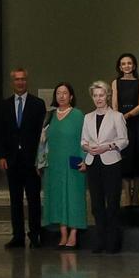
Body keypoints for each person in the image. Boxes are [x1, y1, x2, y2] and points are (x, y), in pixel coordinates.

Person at [0, 67, 47, 248]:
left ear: (27, 81)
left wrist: (40, 160)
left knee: (34, 200)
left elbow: (42, 134)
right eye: (17, 79)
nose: (20, 82)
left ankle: (35, 235)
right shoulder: (4, 105)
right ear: (12, 82)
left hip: (31, 161)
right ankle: (17, 236)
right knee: (15, 200)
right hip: (12, 160)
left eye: (23, 79)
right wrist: (1, 156)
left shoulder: (38, 104)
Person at [81, 81, 129, 254]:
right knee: (96, 204)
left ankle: (113, 241)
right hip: (93, 162)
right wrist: (87, 148)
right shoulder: (88, 117)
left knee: (112, 203)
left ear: (107, 96)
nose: (98, 98)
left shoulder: (117, 116)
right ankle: (100, 240)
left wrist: (107, 147)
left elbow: (124, 140)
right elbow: (83, 141)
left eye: (101, 95)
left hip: (111, 162)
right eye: (95, 95)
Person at [38, 82, 87, 248]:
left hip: (73, 163)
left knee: (73, 197)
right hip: (54, 164)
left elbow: (84, 139)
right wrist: (40, 162)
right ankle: (63, 232)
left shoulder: (78, 115)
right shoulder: (50, 116)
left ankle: (74, 232)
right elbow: (43, 142)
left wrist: (84, 159)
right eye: (58, 93)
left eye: (65, 93)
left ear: (71, 96)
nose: (61, 96)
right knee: (58, 197)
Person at [110, 53, 139, 208]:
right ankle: (127, 198)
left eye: (129, 63)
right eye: (123, 63)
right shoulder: (115, 83)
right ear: (119, 67)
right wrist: (120, 119)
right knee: (124, 160)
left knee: (137, 160)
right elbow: (114, 104)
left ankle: (136, 196)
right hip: (120, 125)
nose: (126, 66)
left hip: (136, 124)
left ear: (134, 65)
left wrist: (127, 115)